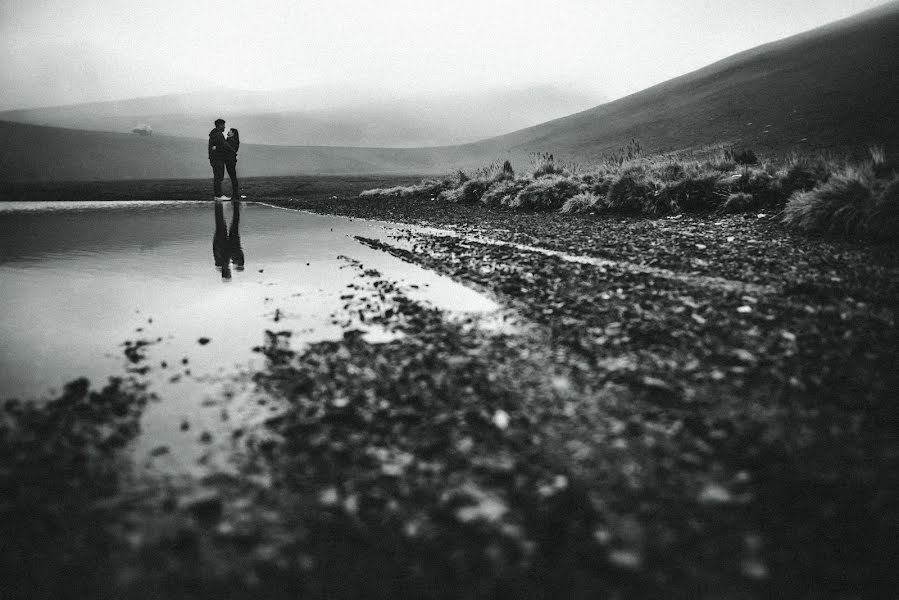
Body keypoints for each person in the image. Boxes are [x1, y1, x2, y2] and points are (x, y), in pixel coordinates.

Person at [208, 118, 237, 200]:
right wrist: (233, 151)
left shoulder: (214, 134)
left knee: (218, 176)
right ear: (220, 125)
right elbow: (224, 144)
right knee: (219, 177)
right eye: (223, 125)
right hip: (218, 159)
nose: (224, 127)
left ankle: (218, 195)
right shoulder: (218, 134)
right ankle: (219, 195)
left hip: (215, 159)